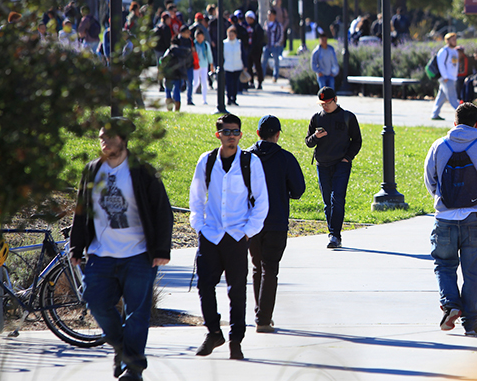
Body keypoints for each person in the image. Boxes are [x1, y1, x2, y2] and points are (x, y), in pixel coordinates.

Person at [70, 117, 173, 381]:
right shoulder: (92, 170)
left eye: (110, 138)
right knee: (96, 303)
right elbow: (81, 212)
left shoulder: (143, 172)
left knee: (137, 314)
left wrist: (161, 249)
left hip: (138, 254)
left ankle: (134, 368)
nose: (104, 142)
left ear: (124, 141)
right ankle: (123, 349)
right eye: (101, 137)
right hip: (100, 254)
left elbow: (163, 212)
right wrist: (76, 246)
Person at [190, 114, 269, 360]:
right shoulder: (207, 160)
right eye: (226, 132)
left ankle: (236, 341)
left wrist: (247, 232)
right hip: (211, 235)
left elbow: (262, 202)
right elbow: (196, 197)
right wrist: (200, 227)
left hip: (237, 236)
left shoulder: (250, 162)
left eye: (235, 132)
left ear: (241, 135)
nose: (231, 136)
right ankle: (214, 332)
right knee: (205, 286)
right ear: (218, 135)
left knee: (237, 292)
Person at [424, 102, 477, 336]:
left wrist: (444, 198)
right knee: (474, 272)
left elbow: (430, 181)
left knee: (444, 264)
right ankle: (472, 323)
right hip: (476, 217)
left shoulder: (439, 146)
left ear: (455, 122)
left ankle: (451, 304)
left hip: (445, 218)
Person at [247, 115, 305, 333]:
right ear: (278, 134)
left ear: (258, 133)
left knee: (256, 267)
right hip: (276, 221)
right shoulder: (285, 158)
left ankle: (259, 313)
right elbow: (298, 190)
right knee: (270, 269)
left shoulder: (246, 157)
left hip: (252, 222)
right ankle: (263, 319)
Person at [306, 87, 362, 249]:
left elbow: (357, 140)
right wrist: (316, 137)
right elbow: (308, 142)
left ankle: (334, 235)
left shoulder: (348, 117)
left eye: (327, 103)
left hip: (341, 164)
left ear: (335, 100)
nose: (325, 106)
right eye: (322, 104)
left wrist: (347, 158)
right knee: (327, 203)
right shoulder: (316, 118)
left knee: (337, 199)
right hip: (322, 164)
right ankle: (333, 233)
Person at [431, 33, 461, 120]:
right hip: (447, 78)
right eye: (453, 39)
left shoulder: (454, 51)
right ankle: (464, 116)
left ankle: (434, 114)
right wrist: (445, 76)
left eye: (455, 39)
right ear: (447, 41)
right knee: (453, 99)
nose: (455, 41)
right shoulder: (444, 51)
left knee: (441, 97)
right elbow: (441, 65)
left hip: (452, 77)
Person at [160, 36, 193, 112]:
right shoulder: (184, 52)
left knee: (168, 90)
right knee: (177, 91)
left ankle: (169, 108)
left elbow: (163, 60)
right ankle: (177, 108)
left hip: (170, 74)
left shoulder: (170, 50)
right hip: (179, 74)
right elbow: (189, 62)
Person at [243, 11, 267, 89]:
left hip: (256, 50)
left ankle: (260, 82)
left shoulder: (257, 27)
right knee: (249, 66)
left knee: (257, 66)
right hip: (248, 49)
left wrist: (254, 46)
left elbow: (259, 39)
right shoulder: (246, 27)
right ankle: (251, 82)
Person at [223, 27, 244, 106]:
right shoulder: (224, 43)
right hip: (227, 66)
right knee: (229, 83)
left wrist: (244, 65)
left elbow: (243, 54)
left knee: (235, 83)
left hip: (237, 66)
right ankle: (228, 98)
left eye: (232, 35)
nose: (231, 36)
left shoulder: (239, 43)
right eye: (229, 35)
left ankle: (234, 99)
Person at [192, 29, 214, 106]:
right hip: (196, 66)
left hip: (204, 65)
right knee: (196, 82)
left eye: (201, 37)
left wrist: (211, 64)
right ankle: (190, 96)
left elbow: (209, 55)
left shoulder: (205, 44)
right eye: (198, 37)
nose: (200, 39)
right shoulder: (194, 44)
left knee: (204, 82)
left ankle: (204, 99)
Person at [263, 10, 285, 82]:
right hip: (267, 46)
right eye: (268, 14)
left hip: (274, 46)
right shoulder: (266, 24)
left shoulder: (278, 25)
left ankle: (275, 76)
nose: (269, 16)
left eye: (270, 14)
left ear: (274, 15)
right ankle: (262, 76)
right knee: (263, 61)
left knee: (276, 61)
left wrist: (277, 43)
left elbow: (281, 35)